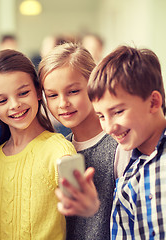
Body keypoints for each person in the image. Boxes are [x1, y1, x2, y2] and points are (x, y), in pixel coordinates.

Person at [0, 49, 76, 240]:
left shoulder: (59, 150)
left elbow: (80, 211)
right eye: (2, 100)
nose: (14, 105)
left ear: (39, 91)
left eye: (23, 93)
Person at [39, 42, 117, 240]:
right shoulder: (57, 150)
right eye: (52, 95)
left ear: (92, 86)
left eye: (73, 91)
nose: (63, 103)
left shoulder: (119, 144)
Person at [88, 45, 166, 240]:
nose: (109, 127)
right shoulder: (126, 181)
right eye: (101, 116)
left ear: (153, 102)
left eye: (118, 112)